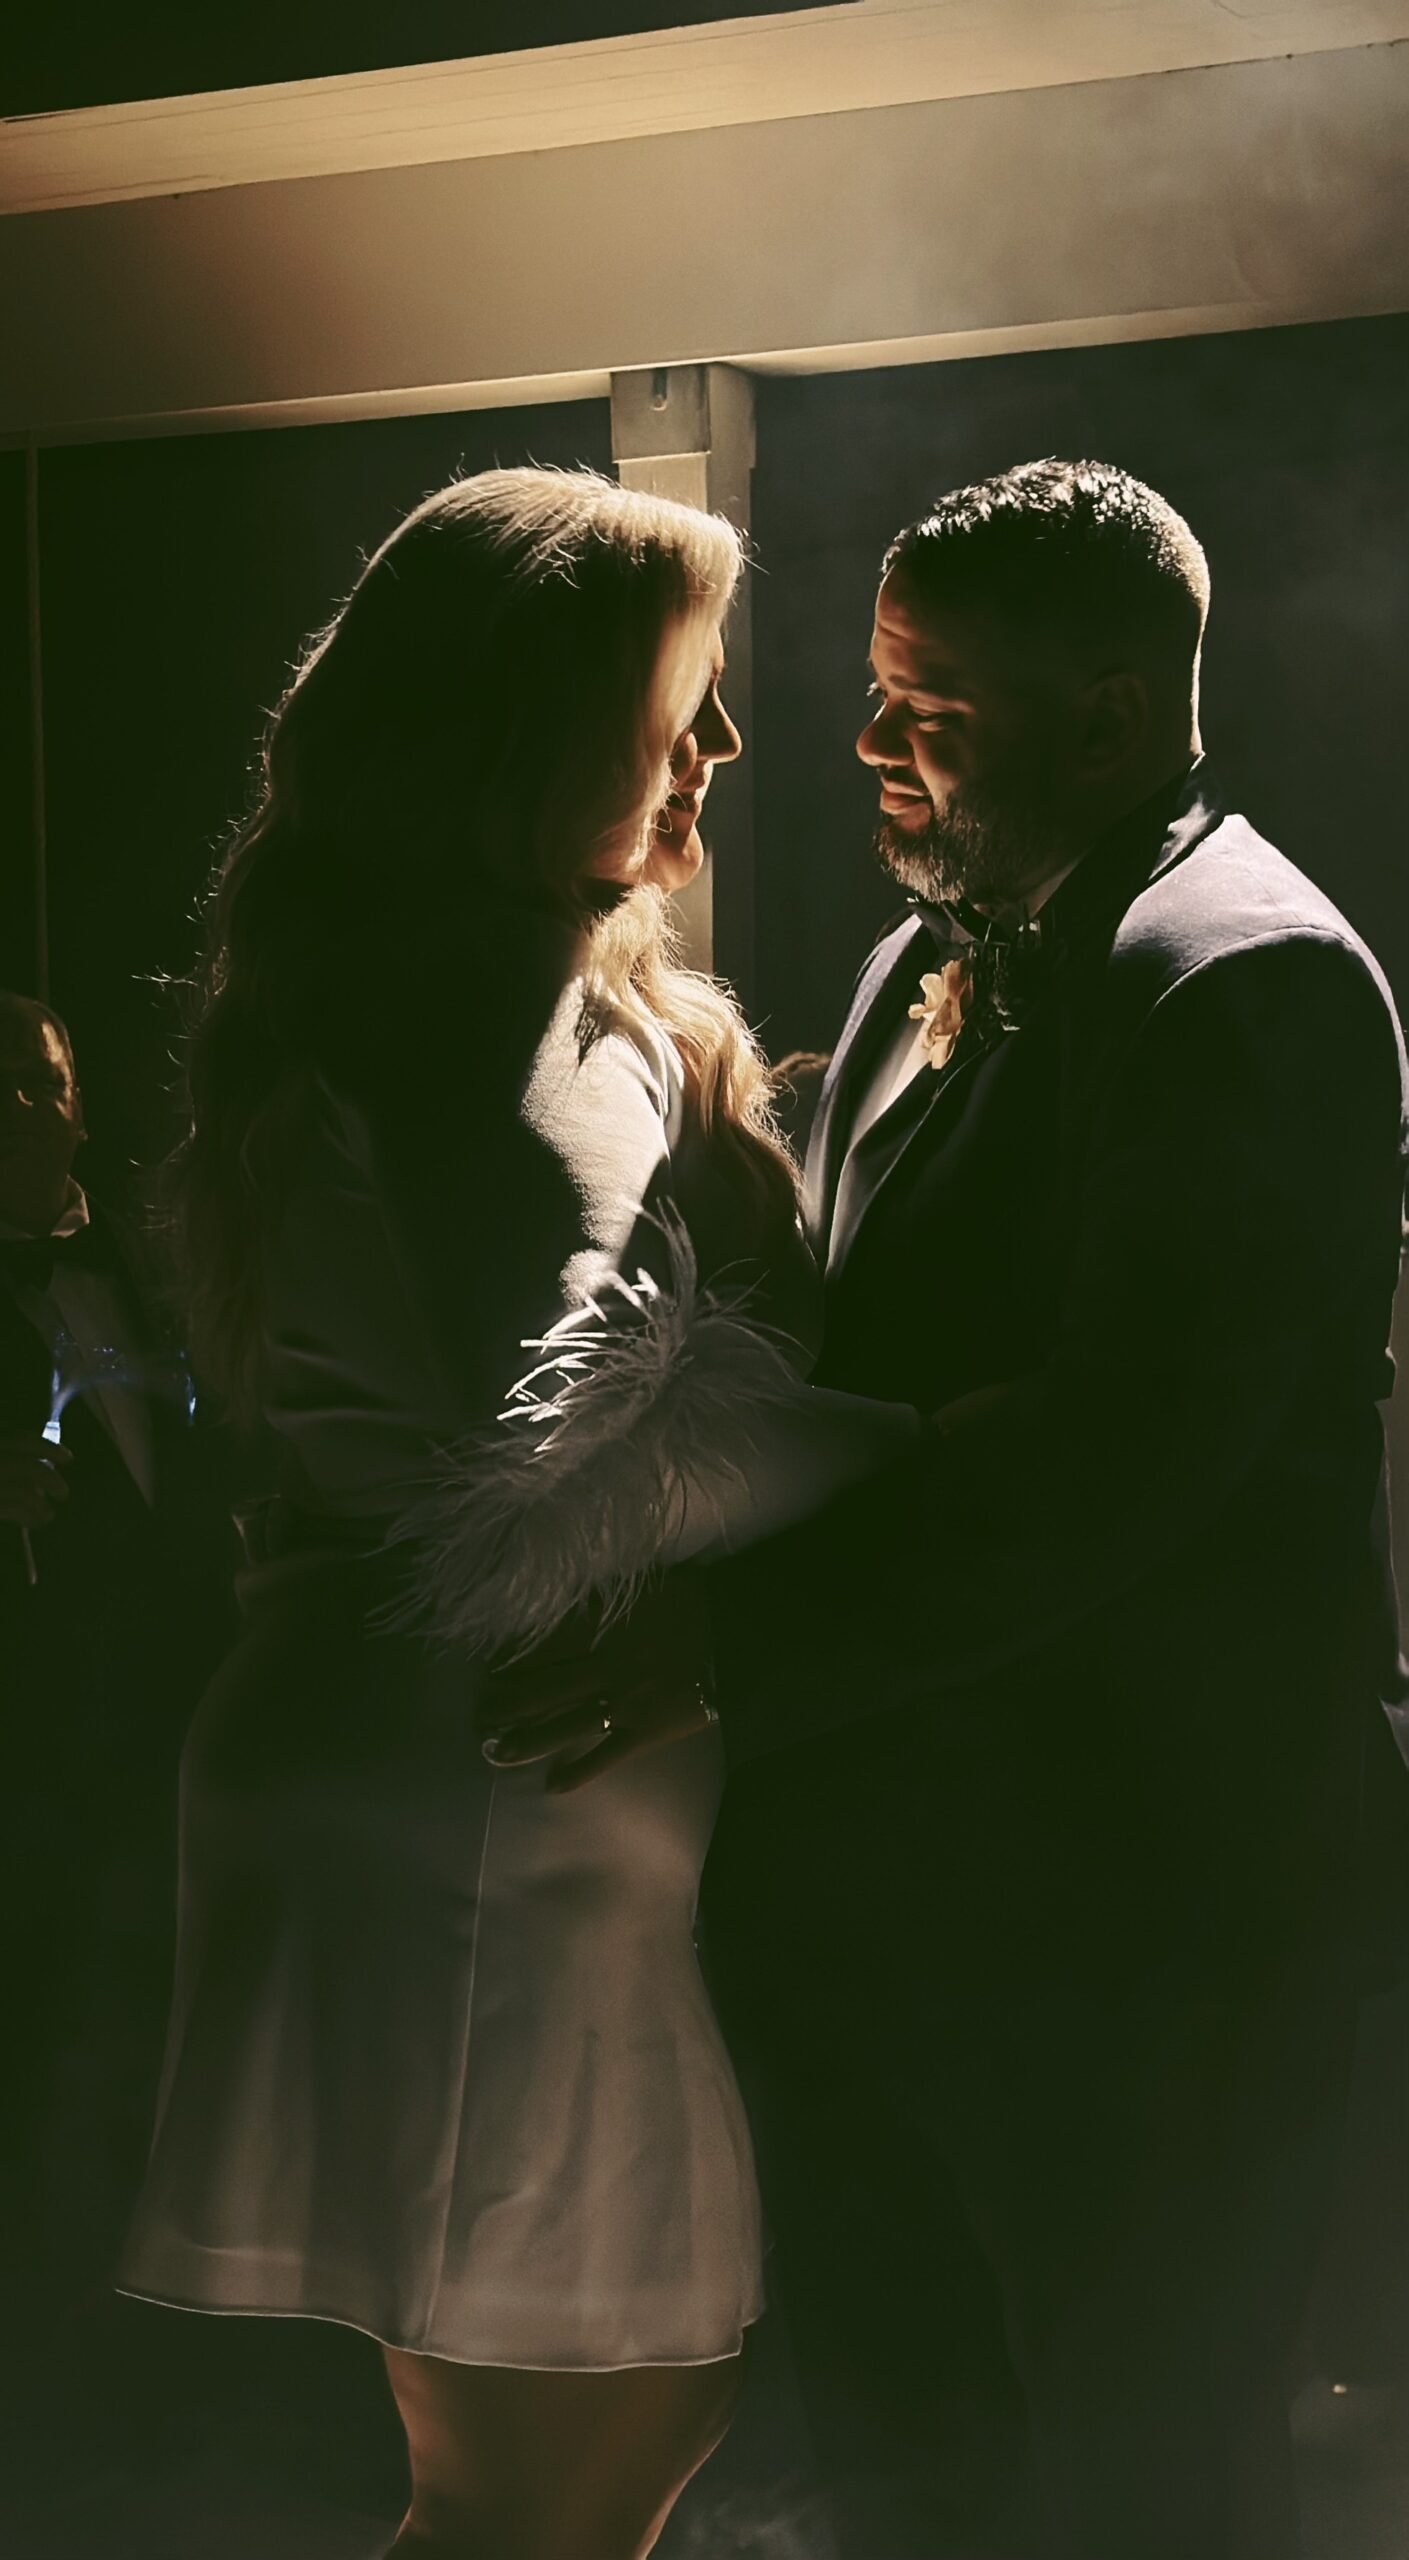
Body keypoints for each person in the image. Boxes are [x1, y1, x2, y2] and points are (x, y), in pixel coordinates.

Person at [485, 461, 1409, 2559]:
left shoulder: (1246, 977)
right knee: (916, 2480)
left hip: (1152, 1922)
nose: (867, 745)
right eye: (880, 694)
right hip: (892, 1903)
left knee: (1144, 2490)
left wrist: (721, 1644)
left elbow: (1117, 1460)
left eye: (930, 710)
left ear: (1109, 718)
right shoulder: (921, 956)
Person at [118, 467, 914, 2560]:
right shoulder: (512, 994)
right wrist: (922, 1446)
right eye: (681, 695)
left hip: (409, 1776)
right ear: (531, 727)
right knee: (562, 2487)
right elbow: (541, 1455)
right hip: (512, 1807)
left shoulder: (381, 974)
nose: (722, 740)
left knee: (504, 2496)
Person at [0, 992, 235, 2327]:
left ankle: (162, 2297)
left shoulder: (151, 1266)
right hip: (29, 1722)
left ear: (79, 1105)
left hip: (175, 1696)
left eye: (43, 1082)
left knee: (164, 2004)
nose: (21, 1107)